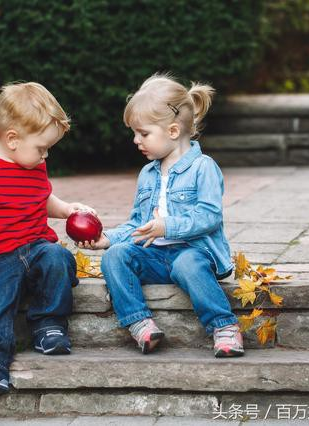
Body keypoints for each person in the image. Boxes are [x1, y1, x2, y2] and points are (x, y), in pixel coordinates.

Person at [78, 73, 243, 358]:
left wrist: (168, 227)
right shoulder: (148, 174)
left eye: (143, 133)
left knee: (187, 265)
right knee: (116, 257)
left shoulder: (203, 168)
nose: (135, 140)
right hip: (156, 256)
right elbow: (138, 224)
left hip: (195, 253)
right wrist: (108, 239)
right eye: (135, 133)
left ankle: (223, 326)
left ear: (173, 132)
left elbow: (209, 216)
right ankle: (140, 323)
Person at [0, 82, 96, 395]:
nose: (45, 156)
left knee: (60, 259)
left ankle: (49, 325)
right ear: (13, 139)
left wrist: (68, 209)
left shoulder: (34, 167)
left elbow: (42, 199)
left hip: (37, 246)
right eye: (42, 148)